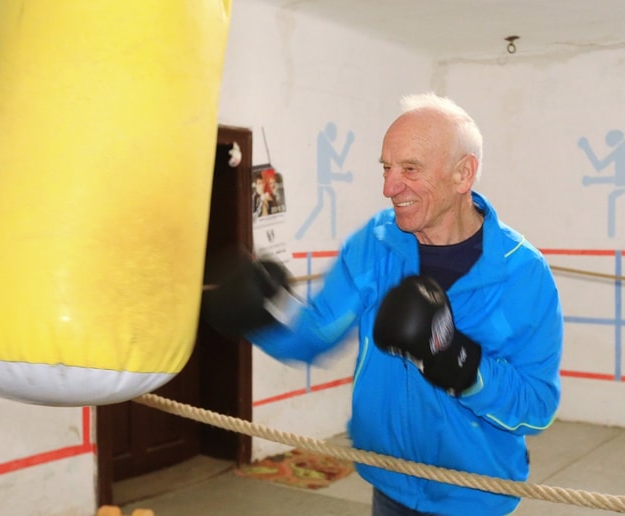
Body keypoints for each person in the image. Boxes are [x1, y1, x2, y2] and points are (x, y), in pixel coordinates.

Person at [202, 92, 563, 515]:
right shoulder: (376, 243)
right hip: (387, 482)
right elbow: (317, 333)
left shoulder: (523, 274)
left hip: (473, 497)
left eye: (410, 169)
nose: (390, 187)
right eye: (387, 168)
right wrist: (260, 318)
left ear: (463, 174)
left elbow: (536, 408)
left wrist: (457, 362)